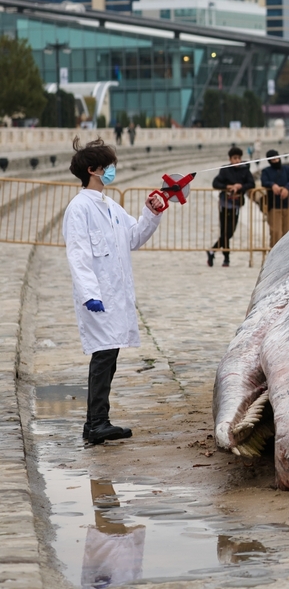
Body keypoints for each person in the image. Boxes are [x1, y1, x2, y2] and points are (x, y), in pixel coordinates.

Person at [62, 137, 168, 445]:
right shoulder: (79, 208)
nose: (112, 171)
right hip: (98, 296)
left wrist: (151, 213)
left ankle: (95, 421)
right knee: (103, 355)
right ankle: (97, 423)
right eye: (107, 166)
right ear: (92, 170)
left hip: (116, 294)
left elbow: (133, 237)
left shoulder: (110, 206)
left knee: (109, 354)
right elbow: (78, 254)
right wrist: (88, 293)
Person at [208, 146, 254, 267]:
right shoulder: (225, 170)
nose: (237, 160)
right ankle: (226, 258)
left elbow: (251, 183)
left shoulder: (245, 170)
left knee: (230, 232)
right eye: (234, 158)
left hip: (236, 204)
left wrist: (240, 186)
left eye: (239, 158)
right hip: (225, 204)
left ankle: (212, 250)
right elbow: (215, 183)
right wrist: (227, 186)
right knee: (225, 232)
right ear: (230, 159)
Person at [259, 149, 289, 248]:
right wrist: (272, 185)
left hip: (288, 205)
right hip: (274, 206)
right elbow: (264, 181)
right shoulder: (266, 171)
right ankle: (274, 255)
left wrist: (287, 188)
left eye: (276, 157)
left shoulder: (287, 169)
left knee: (288, 231)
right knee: (275, 232)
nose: (275, 160)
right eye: (272, 158)